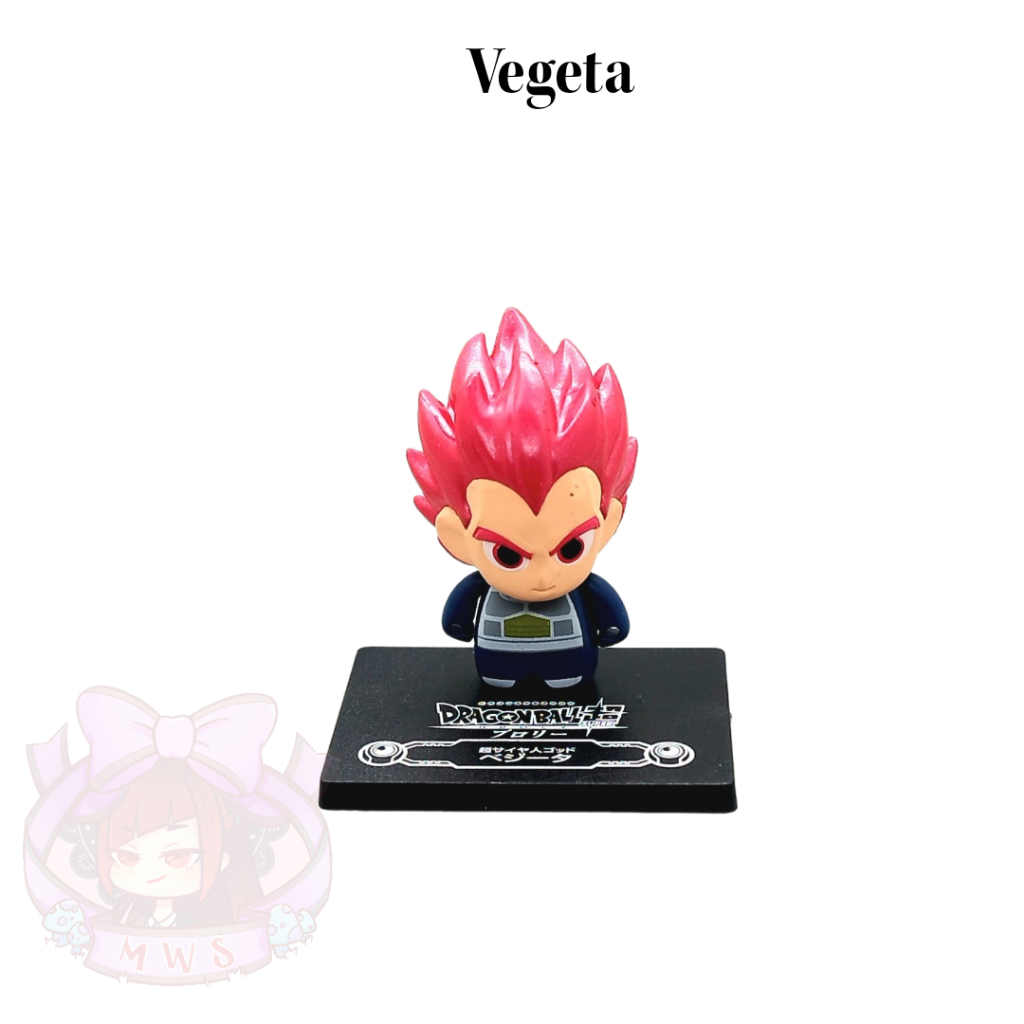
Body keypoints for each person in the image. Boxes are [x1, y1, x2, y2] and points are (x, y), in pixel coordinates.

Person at [408, 308, 637, 689]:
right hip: (498, 665)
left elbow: (613, 619)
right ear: (455, 536)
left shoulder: (585, 587)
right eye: (508, 555)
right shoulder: (478, 578)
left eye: (571, 548)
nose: (544, 577)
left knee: (566, 677)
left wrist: (613, 627)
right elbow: (457, 618)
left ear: (609, 520)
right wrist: (458, 622)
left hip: (570, 662)